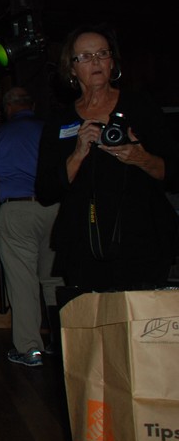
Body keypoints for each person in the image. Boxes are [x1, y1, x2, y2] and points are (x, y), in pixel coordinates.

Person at [35, 25, 178, 293]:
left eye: (102, 53)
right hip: (84, 242)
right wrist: (78, 153)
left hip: (142, 240)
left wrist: (140, 158)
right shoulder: (60, 121)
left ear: (112, 63)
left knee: (137, 317)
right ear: (71, 68)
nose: (96, 61)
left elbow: (173, 172)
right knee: (93, 318)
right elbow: (45, 191)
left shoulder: (139, 105)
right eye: (85, 57)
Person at [0, 87, 60, 367]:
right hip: (53, 208)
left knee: (22, 282)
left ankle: (30, 349)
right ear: (33, 105)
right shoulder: (49, 130)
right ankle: (61, 342)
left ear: (6, 108)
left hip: (16, 210)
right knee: (54, 279)